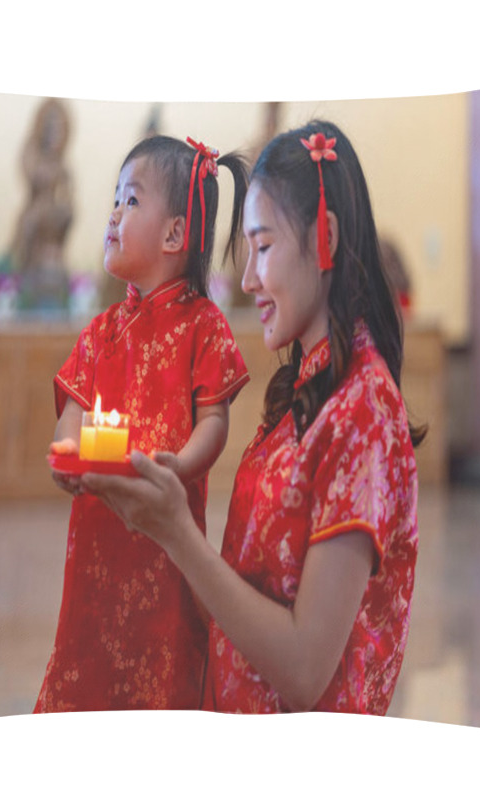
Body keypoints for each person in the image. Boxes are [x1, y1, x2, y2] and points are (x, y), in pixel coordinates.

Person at [83, 120, 426, 715]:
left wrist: (177, 533)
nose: (246, 281)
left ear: (325, 238)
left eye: (262, 248)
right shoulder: (310, 385)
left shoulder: (363, 407)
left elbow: (303, 670)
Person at [33, 135, 251, 713]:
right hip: (98, 547)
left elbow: (215, 418)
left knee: (164, 677)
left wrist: (182, 465)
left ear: (175, 235)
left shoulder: (205, 325)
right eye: (114, 198)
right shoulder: (102, 330)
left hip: (165, 541)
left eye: (130, 201)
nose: (112, 212)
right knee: (89, 662)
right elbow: (73, 413)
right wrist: (66, 452)